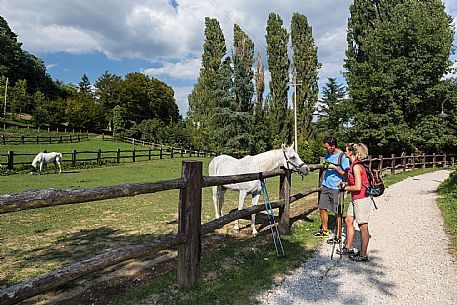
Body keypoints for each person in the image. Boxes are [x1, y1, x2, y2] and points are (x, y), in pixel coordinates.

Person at [338, 143, 372, 262]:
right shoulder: (353, 165)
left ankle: (363, 255)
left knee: (362, 225)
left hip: (362, 198)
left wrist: (345, 188)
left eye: (346, 150)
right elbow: (354, 183)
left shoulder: (357, 166)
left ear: (352, 152)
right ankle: (349, 247)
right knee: (348, 220)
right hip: (355, 198)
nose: (344, 152)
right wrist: (345, 184)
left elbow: (358, 187)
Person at [313, 137, 350, 241]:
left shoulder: (343, 157)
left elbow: (346, 174)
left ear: (333, 146)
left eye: (326, 148)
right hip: (326, 184)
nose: (325, 150)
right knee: (322, 207)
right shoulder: (328, 154)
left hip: (336, 187)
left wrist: (335, 168)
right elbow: (326, 165)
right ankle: (325, 231)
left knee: (337, 211)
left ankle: (338, 236)